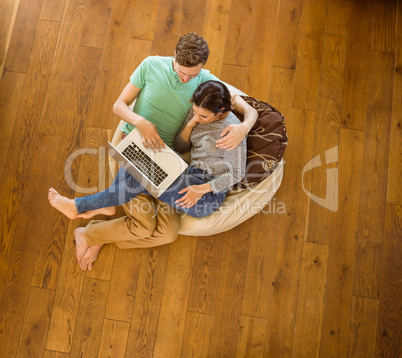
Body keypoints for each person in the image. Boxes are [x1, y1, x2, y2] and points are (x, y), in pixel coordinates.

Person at [49, 33, 257, 270]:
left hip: (186, 174)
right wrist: (146, 123)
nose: (186, 79)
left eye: (193, 75)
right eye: (181, 72)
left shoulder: (208, 90)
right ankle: (93, 231)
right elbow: (121, 106)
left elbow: (243, 108)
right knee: (153, 225)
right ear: (174, 57)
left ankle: (89, 210)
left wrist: (244, 127)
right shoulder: (156, 70)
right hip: (147, 150)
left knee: (155, 213)